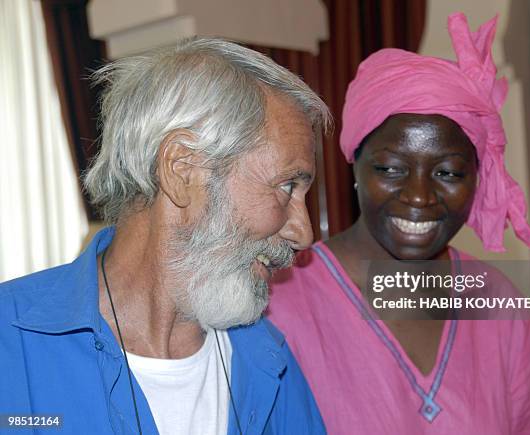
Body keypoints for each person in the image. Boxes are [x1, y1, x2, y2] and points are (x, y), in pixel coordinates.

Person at [0, 39, 331, 434]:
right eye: (287, 186)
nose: (304, 233)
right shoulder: (12, 344)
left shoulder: (268, 359)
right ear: (182, 170)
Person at [267, 13, 530, 434]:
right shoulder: (278, 301)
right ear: (355, 166)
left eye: (448, 173)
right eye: (390, 168)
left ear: (477, 179)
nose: (420, 196)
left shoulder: (498, 303)